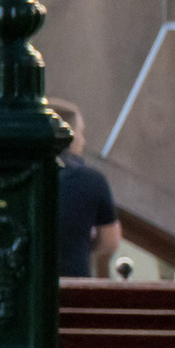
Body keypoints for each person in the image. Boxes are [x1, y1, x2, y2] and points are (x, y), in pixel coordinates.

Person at [49, 100, 121, 279]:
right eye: (80, 133)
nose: (83, 140)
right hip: (73, 283)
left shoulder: (19, 175)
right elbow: (110, 242)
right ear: (69, 135)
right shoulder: (91, 180)